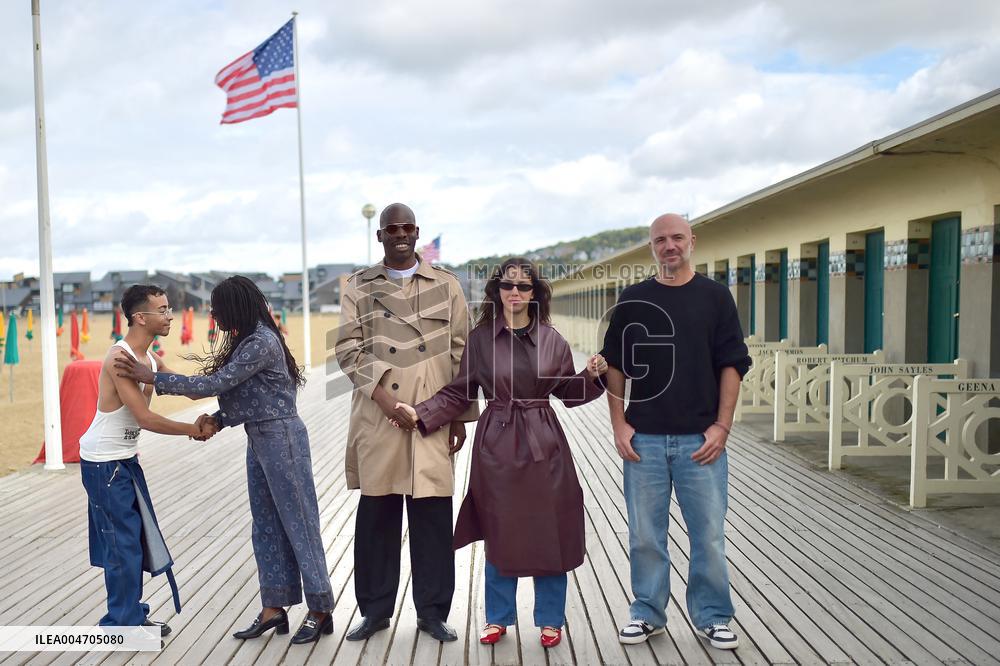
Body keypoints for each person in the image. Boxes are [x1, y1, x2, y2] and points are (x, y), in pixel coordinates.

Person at [396, 257, 608, 648]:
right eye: (508, 285)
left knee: (549, 530)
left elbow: (567, 392)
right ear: (496, 291)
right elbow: (459, 392)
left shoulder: (552, 339)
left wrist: (592, 376)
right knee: (499, 528)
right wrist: (421, 413)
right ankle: (497, 617)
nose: (515, 292)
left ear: (534, 293)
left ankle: (550, 619)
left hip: (544, 443)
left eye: (524, 286)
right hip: (496, 442)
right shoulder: (480, 340)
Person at [115, 276, 335, 645]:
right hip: (261, 437)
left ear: (236, 306)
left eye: (217, 309)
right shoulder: (250, 339)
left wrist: (151, 377)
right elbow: (249, 396)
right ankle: (274, 608)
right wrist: (218, 419)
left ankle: (320, 609)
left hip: (282, 439)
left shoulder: (261, 342)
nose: (214, 315)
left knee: (300, 523)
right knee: (265, 525)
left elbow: (215, 384)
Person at [601, 213, 751, 650]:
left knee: (708, 536)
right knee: (645, 535)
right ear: (652, 247)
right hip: (645, 440)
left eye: (677, 237)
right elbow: (615, 364)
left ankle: (713, 616)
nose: (670, 245)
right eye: (661, 239)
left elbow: (732, 364)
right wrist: (619, 424)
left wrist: (722, 426)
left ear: (692, 242)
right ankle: (647, 613)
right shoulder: (634, 299)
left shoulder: (715, 297)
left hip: (700, 440)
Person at [335, 203, 478, 643]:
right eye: (392, 228)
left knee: (432, 518)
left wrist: (458, 416)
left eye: (407, 227)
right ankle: (375, 612)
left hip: (434, 418)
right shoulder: (359, 286)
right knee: (377, 518)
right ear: (380, 236)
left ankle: (432, 614)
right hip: (380, 417)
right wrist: (386, 400)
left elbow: (463, 352)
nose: (400, 234)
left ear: (417, 232)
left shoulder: (447, 284)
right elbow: (348, 349)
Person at [79, 284, 217, 636]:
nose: (170, 316)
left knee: (134, 540)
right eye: (163, 309)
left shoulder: (150, 360)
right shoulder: (120, 358)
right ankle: (121, 624)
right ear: (140, 317)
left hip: (124, 459)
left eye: (170, 309)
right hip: (104, 462)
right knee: (122, 544)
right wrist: (193, 429)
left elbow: (185, 387)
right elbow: (144, 418)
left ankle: (131, 615)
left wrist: (225, 388)